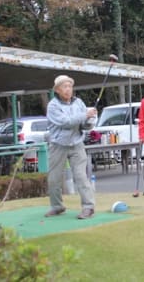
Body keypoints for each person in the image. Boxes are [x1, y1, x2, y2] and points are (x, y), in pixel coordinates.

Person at [45, 75, 97, 219]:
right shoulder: (53, 105)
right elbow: (66, 122)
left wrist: (90, 120)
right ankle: (57, 206)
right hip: (58, 145)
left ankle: (88, 207)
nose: (68, 89)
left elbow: (84, 125)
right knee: (54, 178)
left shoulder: (78, 102)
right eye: (64, 87)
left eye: (69, 86)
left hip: (77, 144)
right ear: (57, 90)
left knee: (81, 176)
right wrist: (85, 114)